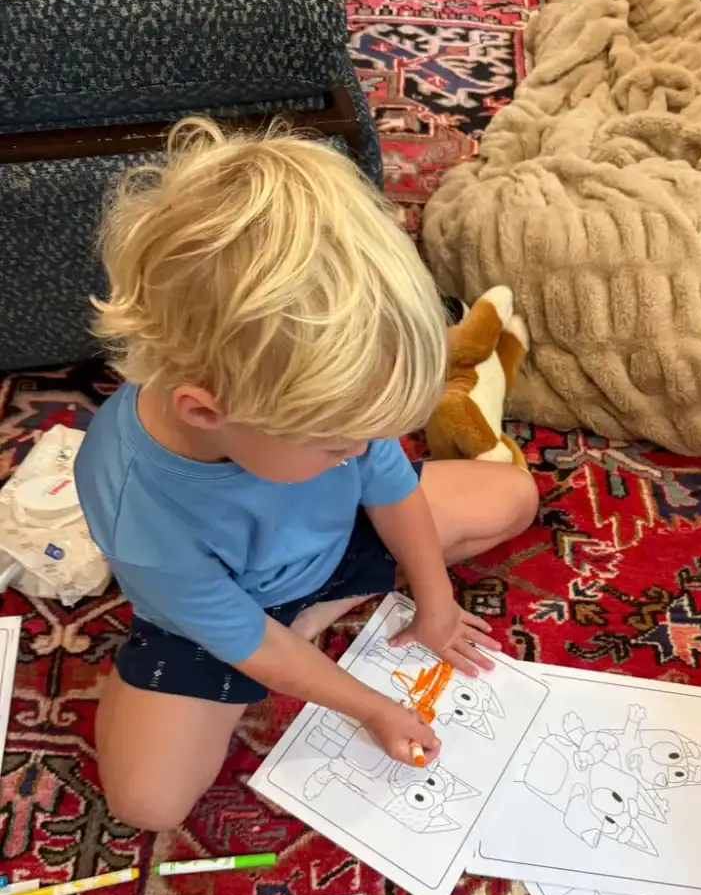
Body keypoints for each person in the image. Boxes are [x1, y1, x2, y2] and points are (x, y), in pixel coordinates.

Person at [74, 118, 538, 832]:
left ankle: (316, 611)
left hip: (330, 547)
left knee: (513, 495)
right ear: (207, 410)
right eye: (336, 444)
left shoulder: (323, 412)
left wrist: (436, 598)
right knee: (148, 802)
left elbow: (392, 489)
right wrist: (374, 706)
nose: (362, 449)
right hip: (223, 617)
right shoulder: (142, 514)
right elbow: (257, 646)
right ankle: (298, 623)